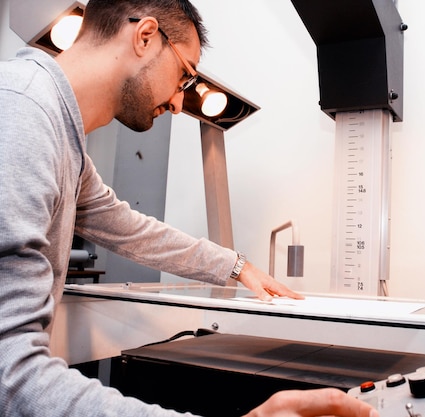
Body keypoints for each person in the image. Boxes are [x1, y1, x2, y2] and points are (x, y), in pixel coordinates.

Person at [0, 1, 379, 416]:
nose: (180, 104)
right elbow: (11, 376)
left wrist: (237, 266)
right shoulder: (22, 112)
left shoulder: (59, 136)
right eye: (185, 75)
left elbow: (131, 230)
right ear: (145, 37)